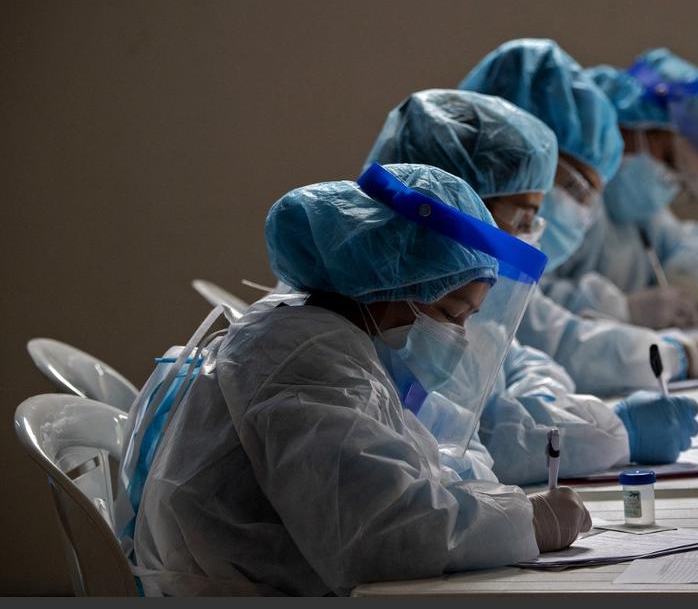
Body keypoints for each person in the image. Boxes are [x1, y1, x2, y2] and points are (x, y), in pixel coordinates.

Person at [132, 163, 593, 596]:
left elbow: (399, 480)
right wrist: (530, 523)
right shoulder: (307, 361)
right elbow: (384, 533)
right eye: (451, 313)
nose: (458, 337)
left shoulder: (324, 343)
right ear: (387, 286)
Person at [366, 88, 698, 485]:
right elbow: (478, 443)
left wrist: (543, 404)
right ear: (459, 204)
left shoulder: (468, 301)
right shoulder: (399, 316)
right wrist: (616, 432)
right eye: (523, 218)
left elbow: (526, 361)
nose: (531, 235)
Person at [459, 38, 698, 397]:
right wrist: (678, 353)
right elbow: (544, 335)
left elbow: (527, 358)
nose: (587, 207)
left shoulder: (623, 205)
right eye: (574, 186)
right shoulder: (459, 248)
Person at [544, 48, 698, 329]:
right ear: (623, 122)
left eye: (683, 177)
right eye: (669, 159)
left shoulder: (637, 209)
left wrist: (692, 287)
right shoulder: (556, 197)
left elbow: (690, 248)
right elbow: (522, 304)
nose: (668, 180)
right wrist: (623, 310)